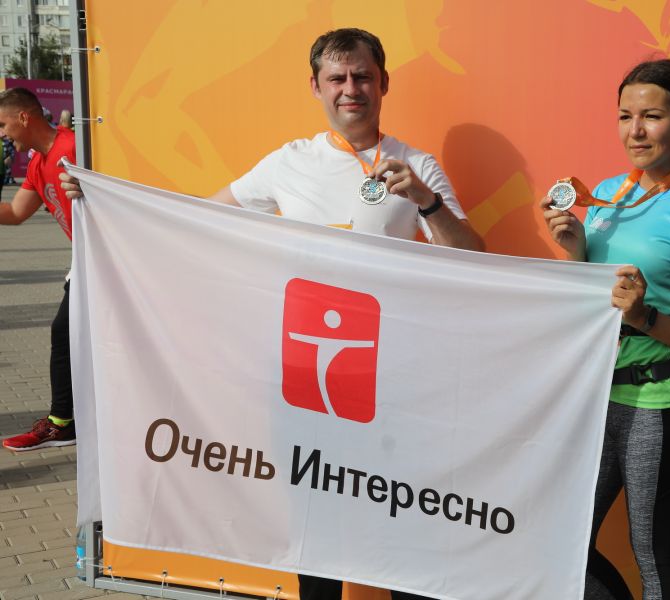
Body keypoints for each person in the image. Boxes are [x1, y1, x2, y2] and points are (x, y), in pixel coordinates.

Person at [62, 27, 482, 600]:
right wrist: (108, 200)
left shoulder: (417, 164)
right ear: (315, 86)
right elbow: (197, 220)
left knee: (400, 525)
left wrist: (427, 204)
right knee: (314, 527)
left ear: (384, 83)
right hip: (303, 380)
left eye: (363, 77)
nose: (351, 89)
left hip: (389, 380)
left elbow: (474, 258)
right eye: (337, 78)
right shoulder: (289, 162)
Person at [542, 59, 670, 600]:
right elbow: (591, 299)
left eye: (652, 116)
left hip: (659, 404)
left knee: (653, 554)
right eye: (625, 116)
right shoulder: (607, 194)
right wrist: (574, 249)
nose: (636, 131)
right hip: (596, 398)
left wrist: (645, 317)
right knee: (556, 539)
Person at [0, 88, 78, 452]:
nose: (3, 134)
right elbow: (15, 213)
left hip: (113, 264)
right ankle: (64, 421)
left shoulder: (73, 148)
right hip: (87, 265)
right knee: (67, 336)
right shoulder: (37, 163)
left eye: (3, 125)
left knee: (64, 335)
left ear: (23, 117)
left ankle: (62, 423)